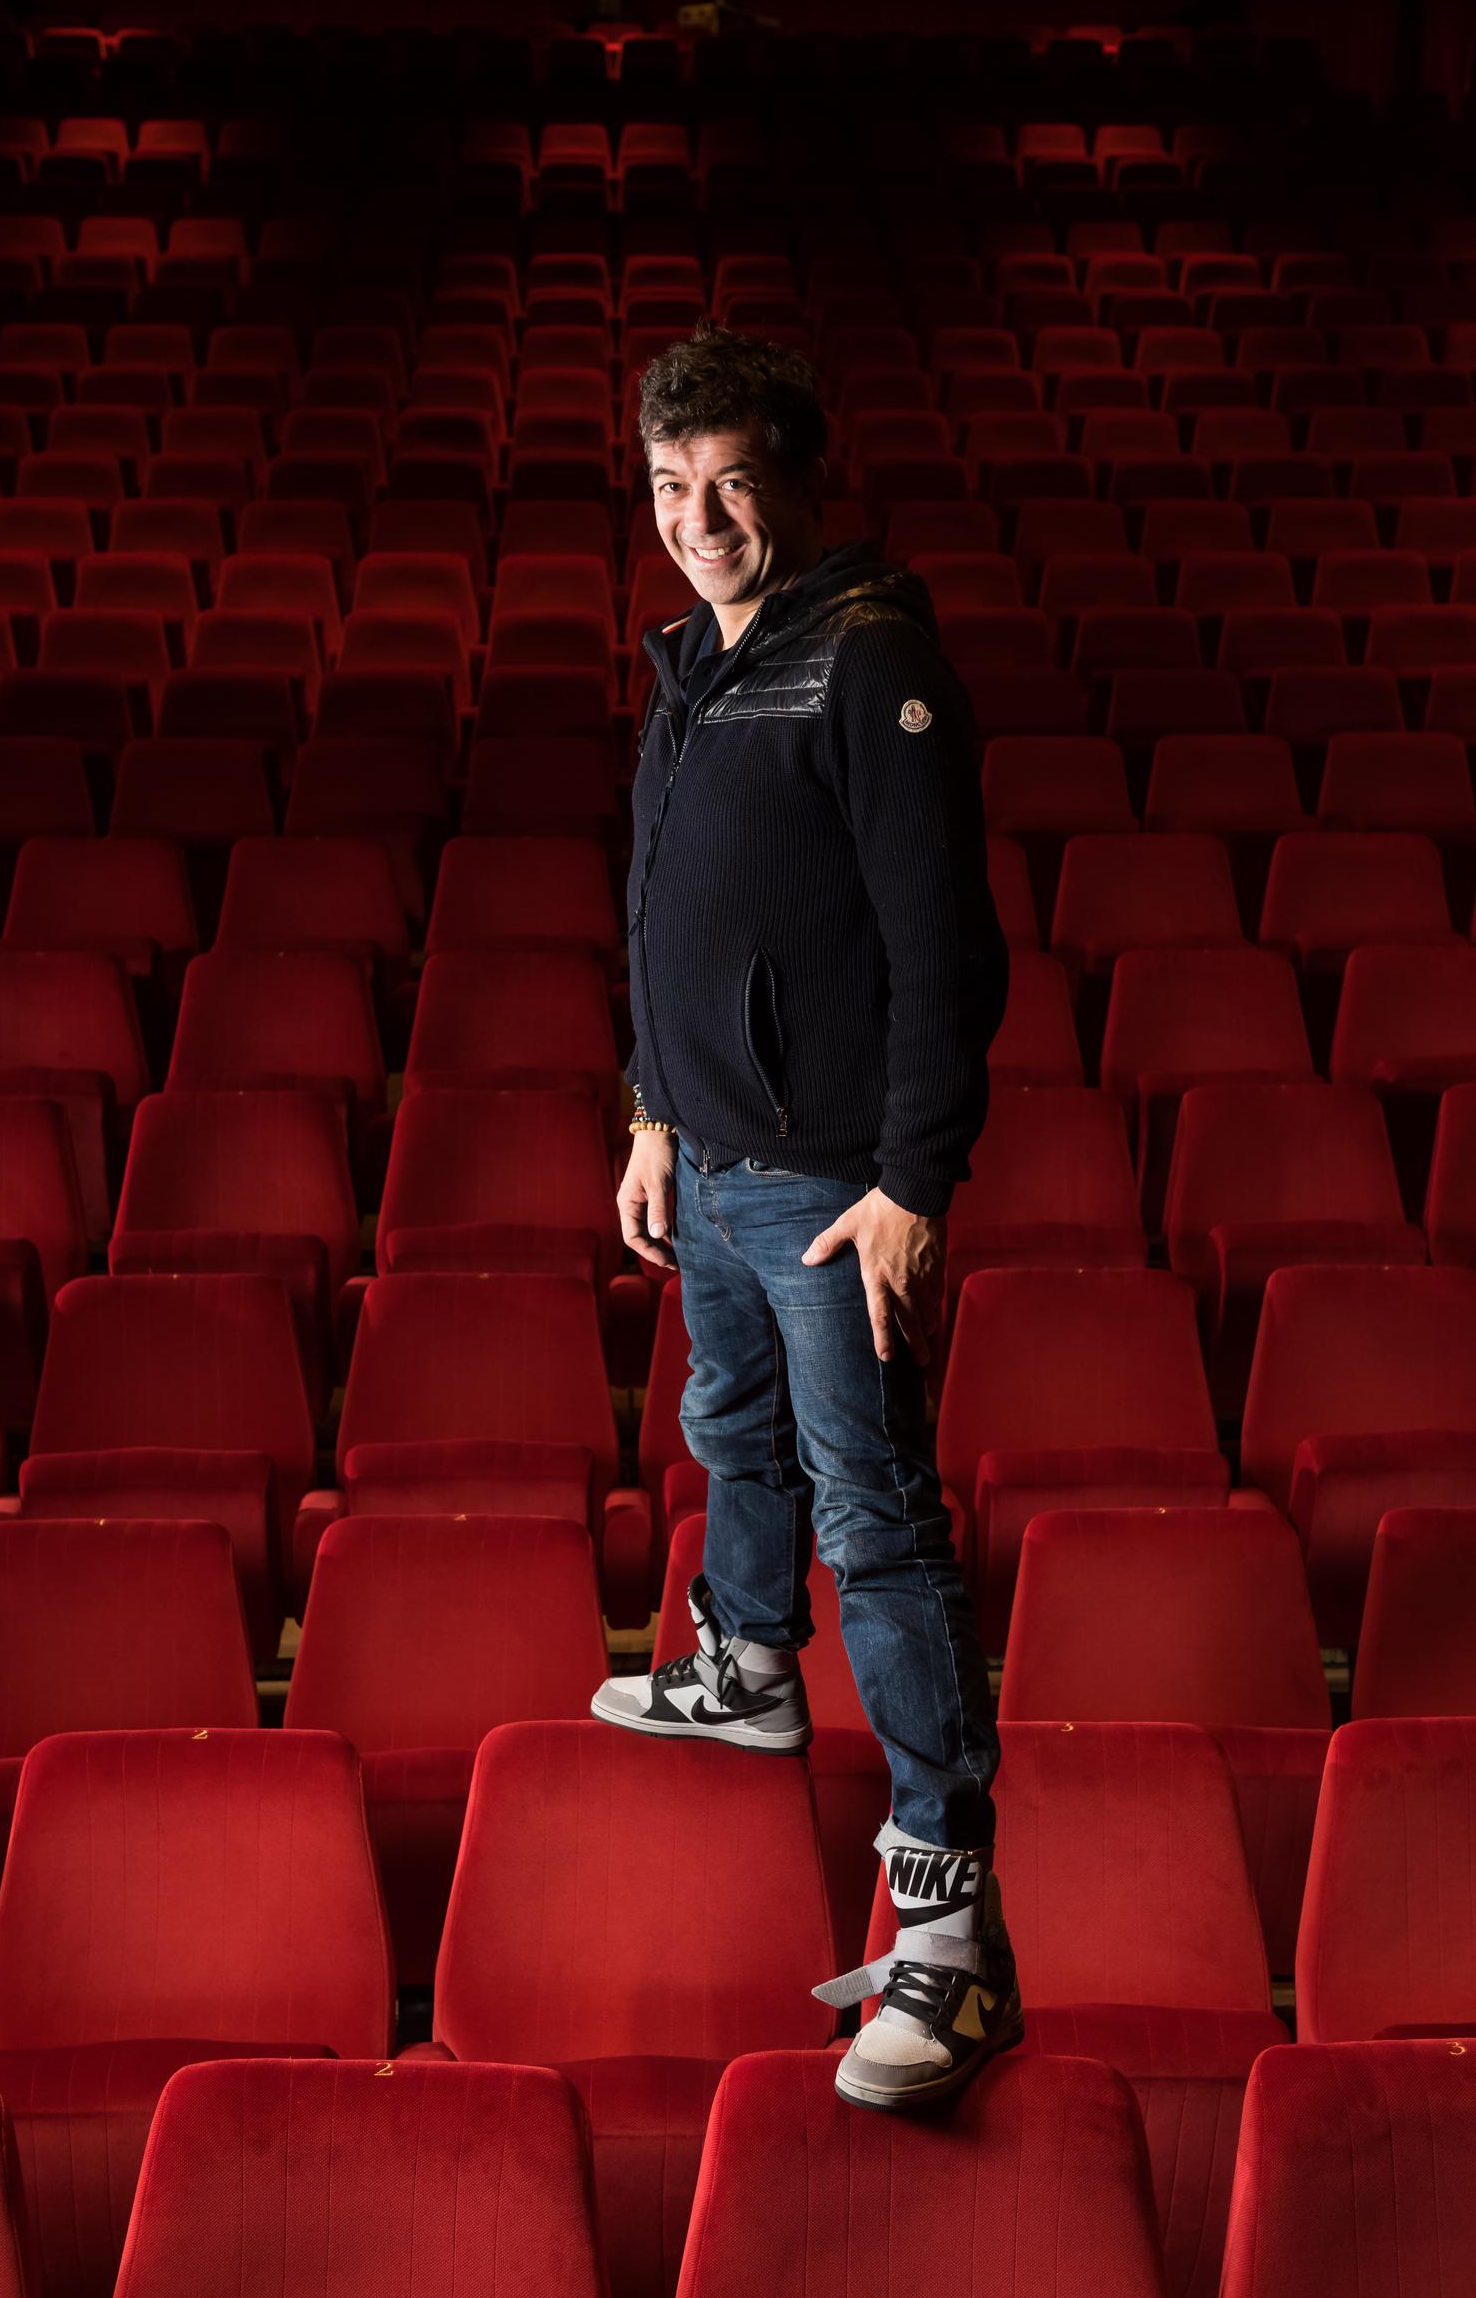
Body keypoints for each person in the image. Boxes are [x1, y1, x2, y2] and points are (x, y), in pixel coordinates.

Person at [590, 322, 1019, 2111]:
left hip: (836, 1185)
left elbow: (948, 952)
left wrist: (913, 1182)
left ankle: (948, 1941)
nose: (700, 515)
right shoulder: (694, 666)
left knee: (880, 1522)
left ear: (795, 479)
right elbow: (652, 919)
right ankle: (747, 1663)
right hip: (714, 1162)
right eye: (673, 486)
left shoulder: (864, 661)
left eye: (732, 480)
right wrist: (646, 1112)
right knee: (727, 1432)